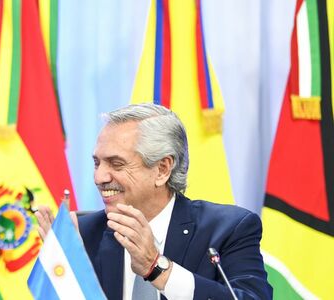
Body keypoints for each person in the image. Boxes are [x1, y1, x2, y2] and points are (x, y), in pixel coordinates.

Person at [35, 103, 271, 299]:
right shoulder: (84, 234)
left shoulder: (228, 229)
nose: (99, 177)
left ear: (162, 169)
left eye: (116, 164)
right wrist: (65, 272)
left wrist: (156, 268)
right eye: (97, 163)